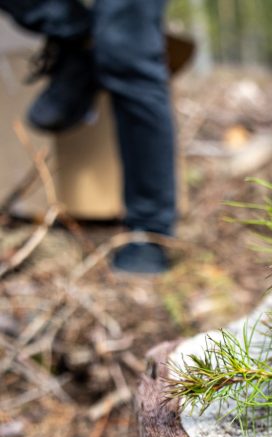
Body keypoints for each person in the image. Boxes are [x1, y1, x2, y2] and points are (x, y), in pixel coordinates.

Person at [1, 0, 177, 274]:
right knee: (107, 35)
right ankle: (77, 34)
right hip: (69, 22)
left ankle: (148, 231)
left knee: (128, 47)